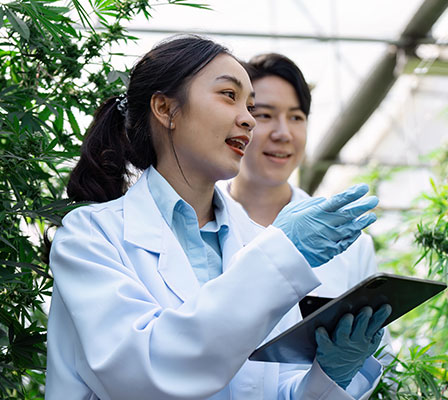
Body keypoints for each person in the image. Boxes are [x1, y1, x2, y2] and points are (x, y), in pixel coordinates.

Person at [46, 35, 391, 400]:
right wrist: (279, 256)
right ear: (165, 108)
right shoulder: (90, 238)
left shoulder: (258, 241)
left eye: (250, 105)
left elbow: (265, 389)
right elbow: (146, 375)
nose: (248, 120)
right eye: (230, 96)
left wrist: (328, 377)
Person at [224, 53, 393, 362]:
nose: (283, 133)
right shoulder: (198, 219)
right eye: (264, 115)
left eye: (296, 117)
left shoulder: (349, 242)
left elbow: (379, 361)